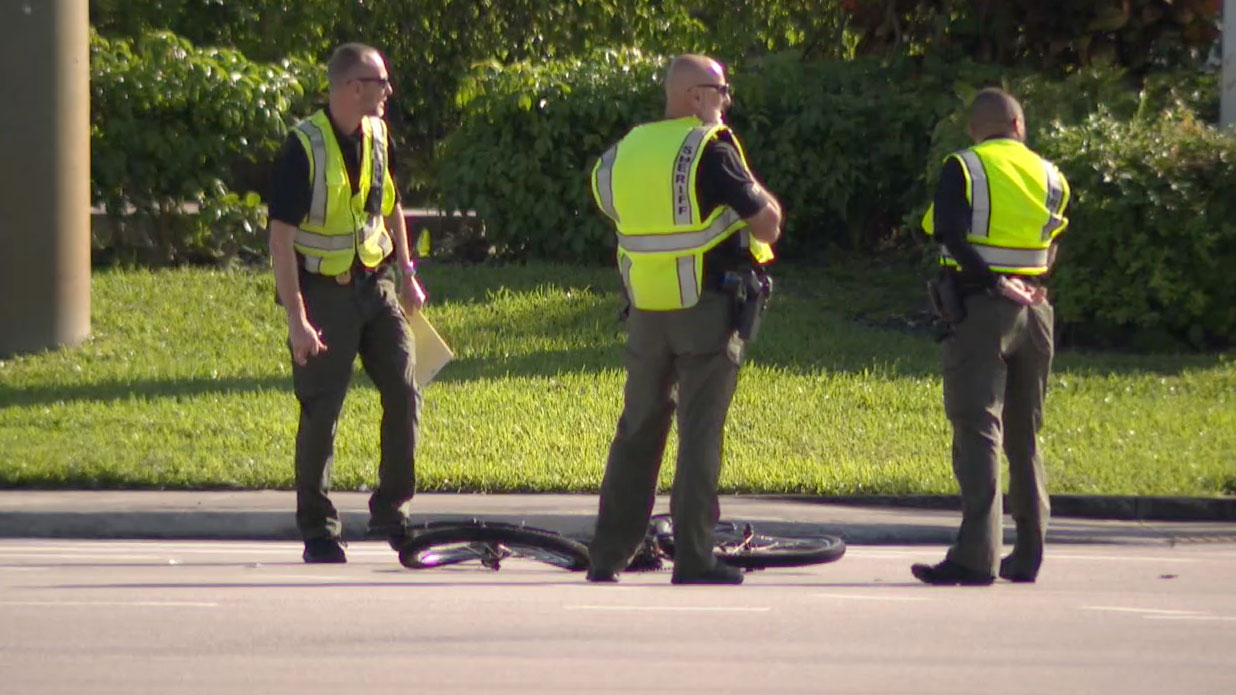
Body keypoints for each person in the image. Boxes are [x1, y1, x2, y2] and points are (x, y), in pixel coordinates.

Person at [585, 54, 783, 585]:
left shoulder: (625, 151)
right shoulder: (709, 148)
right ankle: (695, 556)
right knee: (700, 433)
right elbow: (766, 226)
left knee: (636, 430)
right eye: (721, 90)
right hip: (706, 309)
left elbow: (615, 207)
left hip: (648, 310)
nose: (726, 101)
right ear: (697, 96)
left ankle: (607, 555)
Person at [267, 43, 425, 564]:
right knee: (322, 409)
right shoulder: (304, 146)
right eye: (381, 82)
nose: (388, 91)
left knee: (404, 390)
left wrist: (406, 273)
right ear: (352, 86)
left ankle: (391, 511)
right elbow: (281, 239)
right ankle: (318, 528)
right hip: (323, 294)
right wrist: (298, 320)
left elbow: (391, 205)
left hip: (375, 287)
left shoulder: (378, 135)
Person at [912, 88, 1070, 585]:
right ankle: (1027, 553)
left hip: (983, 309)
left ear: (974, 129)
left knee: (979, 428)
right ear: (1019, 125)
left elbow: (948, 234)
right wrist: (1028, 284)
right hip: (1037, 309)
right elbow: (1053, 238)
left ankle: (975, 556)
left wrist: (995, 282)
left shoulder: (965, 167)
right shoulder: (1051, 175)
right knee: (1024, 435)